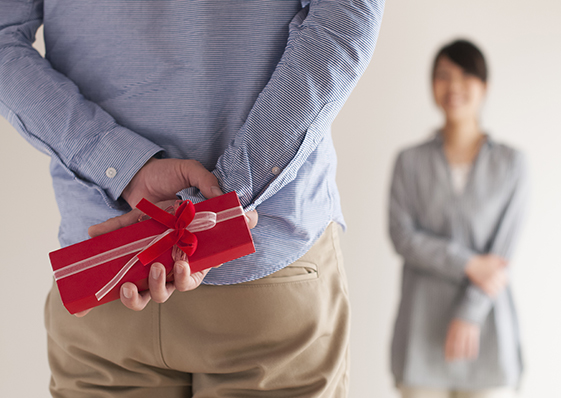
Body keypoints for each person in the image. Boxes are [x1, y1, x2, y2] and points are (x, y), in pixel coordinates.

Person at [0, 1, 384, 396]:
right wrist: (220, 202)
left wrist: (123, 168)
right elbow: (346, 14)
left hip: (106, 270)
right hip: (266, 273)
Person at [388, 39, 528, 398]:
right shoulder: (409, 161)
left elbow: (501, 256)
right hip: (420, 332)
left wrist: (469, 313)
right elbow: (403, 237)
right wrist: (469, 264)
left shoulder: (512, 163)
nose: (454, 86)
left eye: (466, 75)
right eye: (443, 76)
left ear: (485, 86)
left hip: (488, 332)